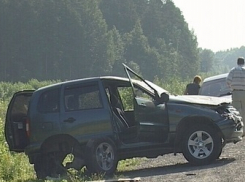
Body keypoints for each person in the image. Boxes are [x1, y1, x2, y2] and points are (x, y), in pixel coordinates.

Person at [226, 57, 245, 135]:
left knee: (236, 112)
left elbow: (228, 81)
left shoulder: (233, 70)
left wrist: (231, 88)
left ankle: (238, 130)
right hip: (244, 92)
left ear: (237, 62)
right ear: (243, 62)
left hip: (236, 93)